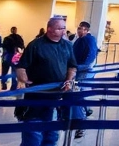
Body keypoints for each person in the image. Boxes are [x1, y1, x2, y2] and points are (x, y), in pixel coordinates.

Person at [15, 18, 77, 146]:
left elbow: (72, 66)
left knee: (52, 133)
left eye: (64, 28)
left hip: (56, 96)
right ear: (50, 29)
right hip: (36, 95)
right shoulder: (35, 45)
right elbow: (21, 66)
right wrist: (23, 80)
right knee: (33, 131)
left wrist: (68, 80)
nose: (64, 31)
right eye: (60, 28)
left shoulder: (67, 45)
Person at [71, 21, 99, 138]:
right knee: (79, 93)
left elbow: (90, 57)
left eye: (81, 29)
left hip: (81, 71)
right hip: (79, 70)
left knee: (78, 93)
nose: (79, 30)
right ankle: (85, 111)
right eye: (78, 28)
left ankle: (81, 123)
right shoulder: (80, 40)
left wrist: (78, 68)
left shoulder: (88, 40)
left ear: (86, 30)